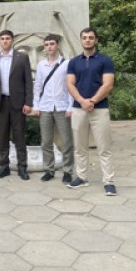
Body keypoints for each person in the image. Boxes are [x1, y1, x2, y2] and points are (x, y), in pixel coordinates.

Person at [66, 26, 117, 196]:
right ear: (81, 40)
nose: (87, 40)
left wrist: (92, 101)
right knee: (80, 147)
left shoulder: (105, 61)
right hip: (78, 109)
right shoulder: (74, 62)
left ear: (96, 40)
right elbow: (70, 84)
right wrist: (82, 101)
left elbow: (108, 84)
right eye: (84, 37)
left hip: (99, 109)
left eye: (91, 37)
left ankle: (108, 181)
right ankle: (81, 177)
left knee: (104, 147)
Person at [0, 30, 33, 181]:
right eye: (2, 39)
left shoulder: (22, 58)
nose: (5, 41)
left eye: (7, 38)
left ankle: (22, 167)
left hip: (18, 103)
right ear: (0, 41)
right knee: (2, 136)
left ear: (12, 40)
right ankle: (4, 166)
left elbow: (28, 81)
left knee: (19, 136)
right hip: (1, 103)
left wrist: (28, 102)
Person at [32, 34, 74, 183]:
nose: (49, 47)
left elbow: (70, 86)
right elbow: (37, 86)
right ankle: (48, 170)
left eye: (52, 44)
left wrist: (70, 106)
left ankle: (67, 171)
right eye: (46, 44)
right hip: (45, 107)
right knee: (46, 142)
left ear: (57, 45)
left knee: (66, 141)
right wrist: (36, 105)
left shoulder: (66, 64)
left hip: (62, 106)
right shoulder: (41, 65)